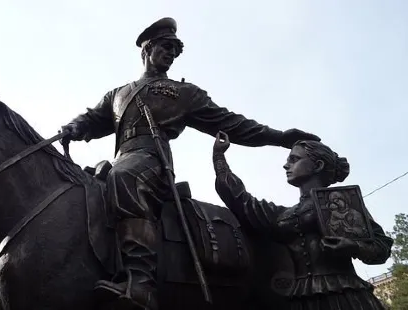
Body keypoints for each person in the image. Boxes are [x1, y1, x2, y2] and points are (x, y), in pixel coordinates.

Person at [61, 17, 321, 310]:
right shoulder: (118, 94)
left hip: (150, 161)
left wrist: (279, 137)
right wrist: (73, 127)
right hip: (121, 158)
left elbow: (233, 123)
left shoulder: (185, 94)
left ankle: (141, 282)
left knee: (125, 177)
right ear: (146, 49)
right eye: (166, 46)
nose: (171, 53)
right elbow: (94, 119)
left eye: (175, 49)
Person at [212, 131, 393, 309]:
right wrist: (219, 157)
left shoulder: (342, 201)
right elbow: (242, 201)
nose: (285, 165)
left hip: (345, 295)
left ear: (318, 165)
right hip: (301, 298)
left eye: (294, 159)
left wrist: (353, 246)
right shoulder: (283, 214)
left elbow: (381, 249)